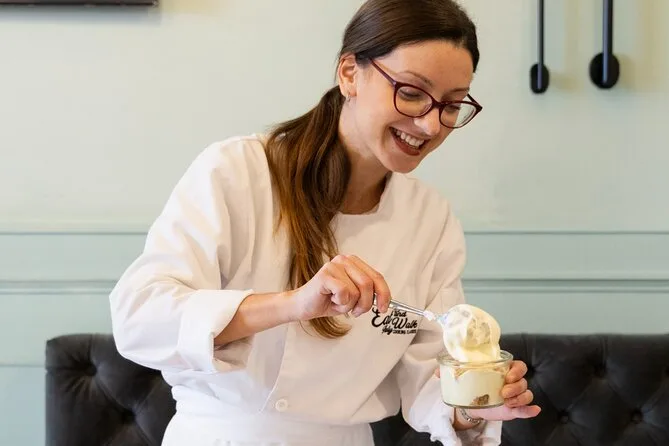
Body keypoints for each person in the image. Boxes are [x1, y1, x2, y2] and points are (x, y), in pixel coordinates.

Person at [109, 0, 541, 444]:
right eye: (412, 93)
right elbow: (140, 318)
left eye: (451, 105)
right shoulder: (237, 171)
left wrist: (473, 406)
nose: (431, 126)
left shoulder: (430, 217)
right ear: (349, 73)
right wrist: (293, 304)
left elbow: (427, 377)